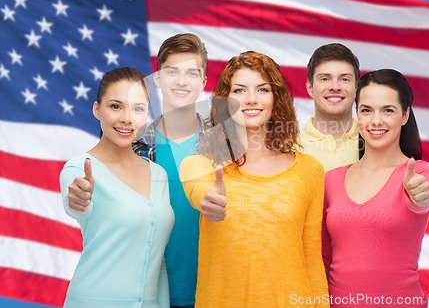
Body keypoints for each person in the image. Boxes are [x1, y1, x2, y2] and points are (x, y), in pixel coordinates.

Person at [67, 34, 207, 307]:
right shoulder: (134, 146)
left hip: (212, 293)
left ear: (203, 83)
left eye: (192, 73)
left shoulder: (225, 148)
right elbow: (85, 201)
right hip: (150, 296)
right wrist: (78, 200)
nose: (181, 80)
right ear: (157, 79)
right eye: (171, 71)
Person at [180, 51, 329, 308]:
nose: (251, 99)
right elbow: (201, 192)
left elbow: (312, 259)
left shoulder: (309, 171)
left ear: (276, 99)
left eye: (262, 89)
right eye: (239, 91)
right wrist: (209, 200)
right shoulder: (201, 166)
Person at [322, 69, 429, 308]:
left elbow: (423, 196)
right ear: (357, 114)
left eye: (388, 110)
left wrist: (420, 195)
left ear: (405, 114)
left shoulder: (419, 173)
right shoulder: (330, 180)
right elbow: (323, 258)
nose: (376, 121)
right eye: (366, 110)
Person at [60, 67, 174, 308]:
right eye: (115, 106)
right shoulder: (78, 169)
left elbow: (157, 259)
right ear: (96, 109)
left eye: (138, 109)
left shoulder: (159, 174)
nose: (126, 118)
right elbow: (78, 206)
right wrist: (79, 200)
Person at [299, 43, 361, 171]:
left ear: (356, 87)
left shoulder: (375, 143)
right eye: (325, 79)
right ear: (310, 88)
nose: (335, 87)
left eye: (344, 79)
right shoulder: (288, 147)